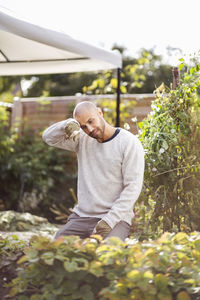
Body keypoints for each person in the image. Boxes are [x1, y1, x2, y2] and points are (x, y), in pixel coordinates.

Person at [42, 101, 145, 241]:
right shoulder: (81, 140)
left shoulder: (129, 143)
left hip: (116, 219)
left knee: (108, 255)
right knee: (57, 249)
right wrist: (68, 124)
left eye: (91, 121)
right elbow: (48, 137)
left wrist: (109, 221)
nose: (89, 129)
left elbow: (132, 187)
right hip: (82, 217)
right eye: (84, 126)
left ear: (100, 113)